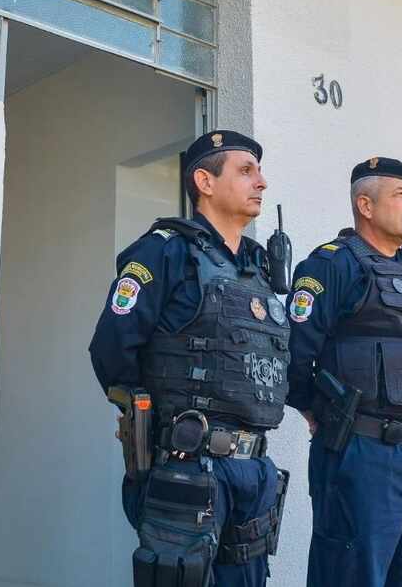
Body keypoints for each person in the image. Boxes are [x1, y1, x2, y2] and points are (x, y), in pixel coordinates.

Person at [89, 130, 290, 587]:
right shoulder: (165, 252)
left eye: (258, 171)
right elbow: (111, 348)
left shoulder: (259, 270)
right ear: (204, 180)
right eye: (246, 170)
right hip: (186, 467)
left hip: (253, 470)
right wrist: (151, 422)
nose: (261, 182)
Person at [287, 157, 402, 587]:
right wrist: (315, 410)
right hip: (359, 453)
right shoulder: (334, 264)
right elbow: (292, 353)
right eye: (401, 195)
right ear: (365, 204)